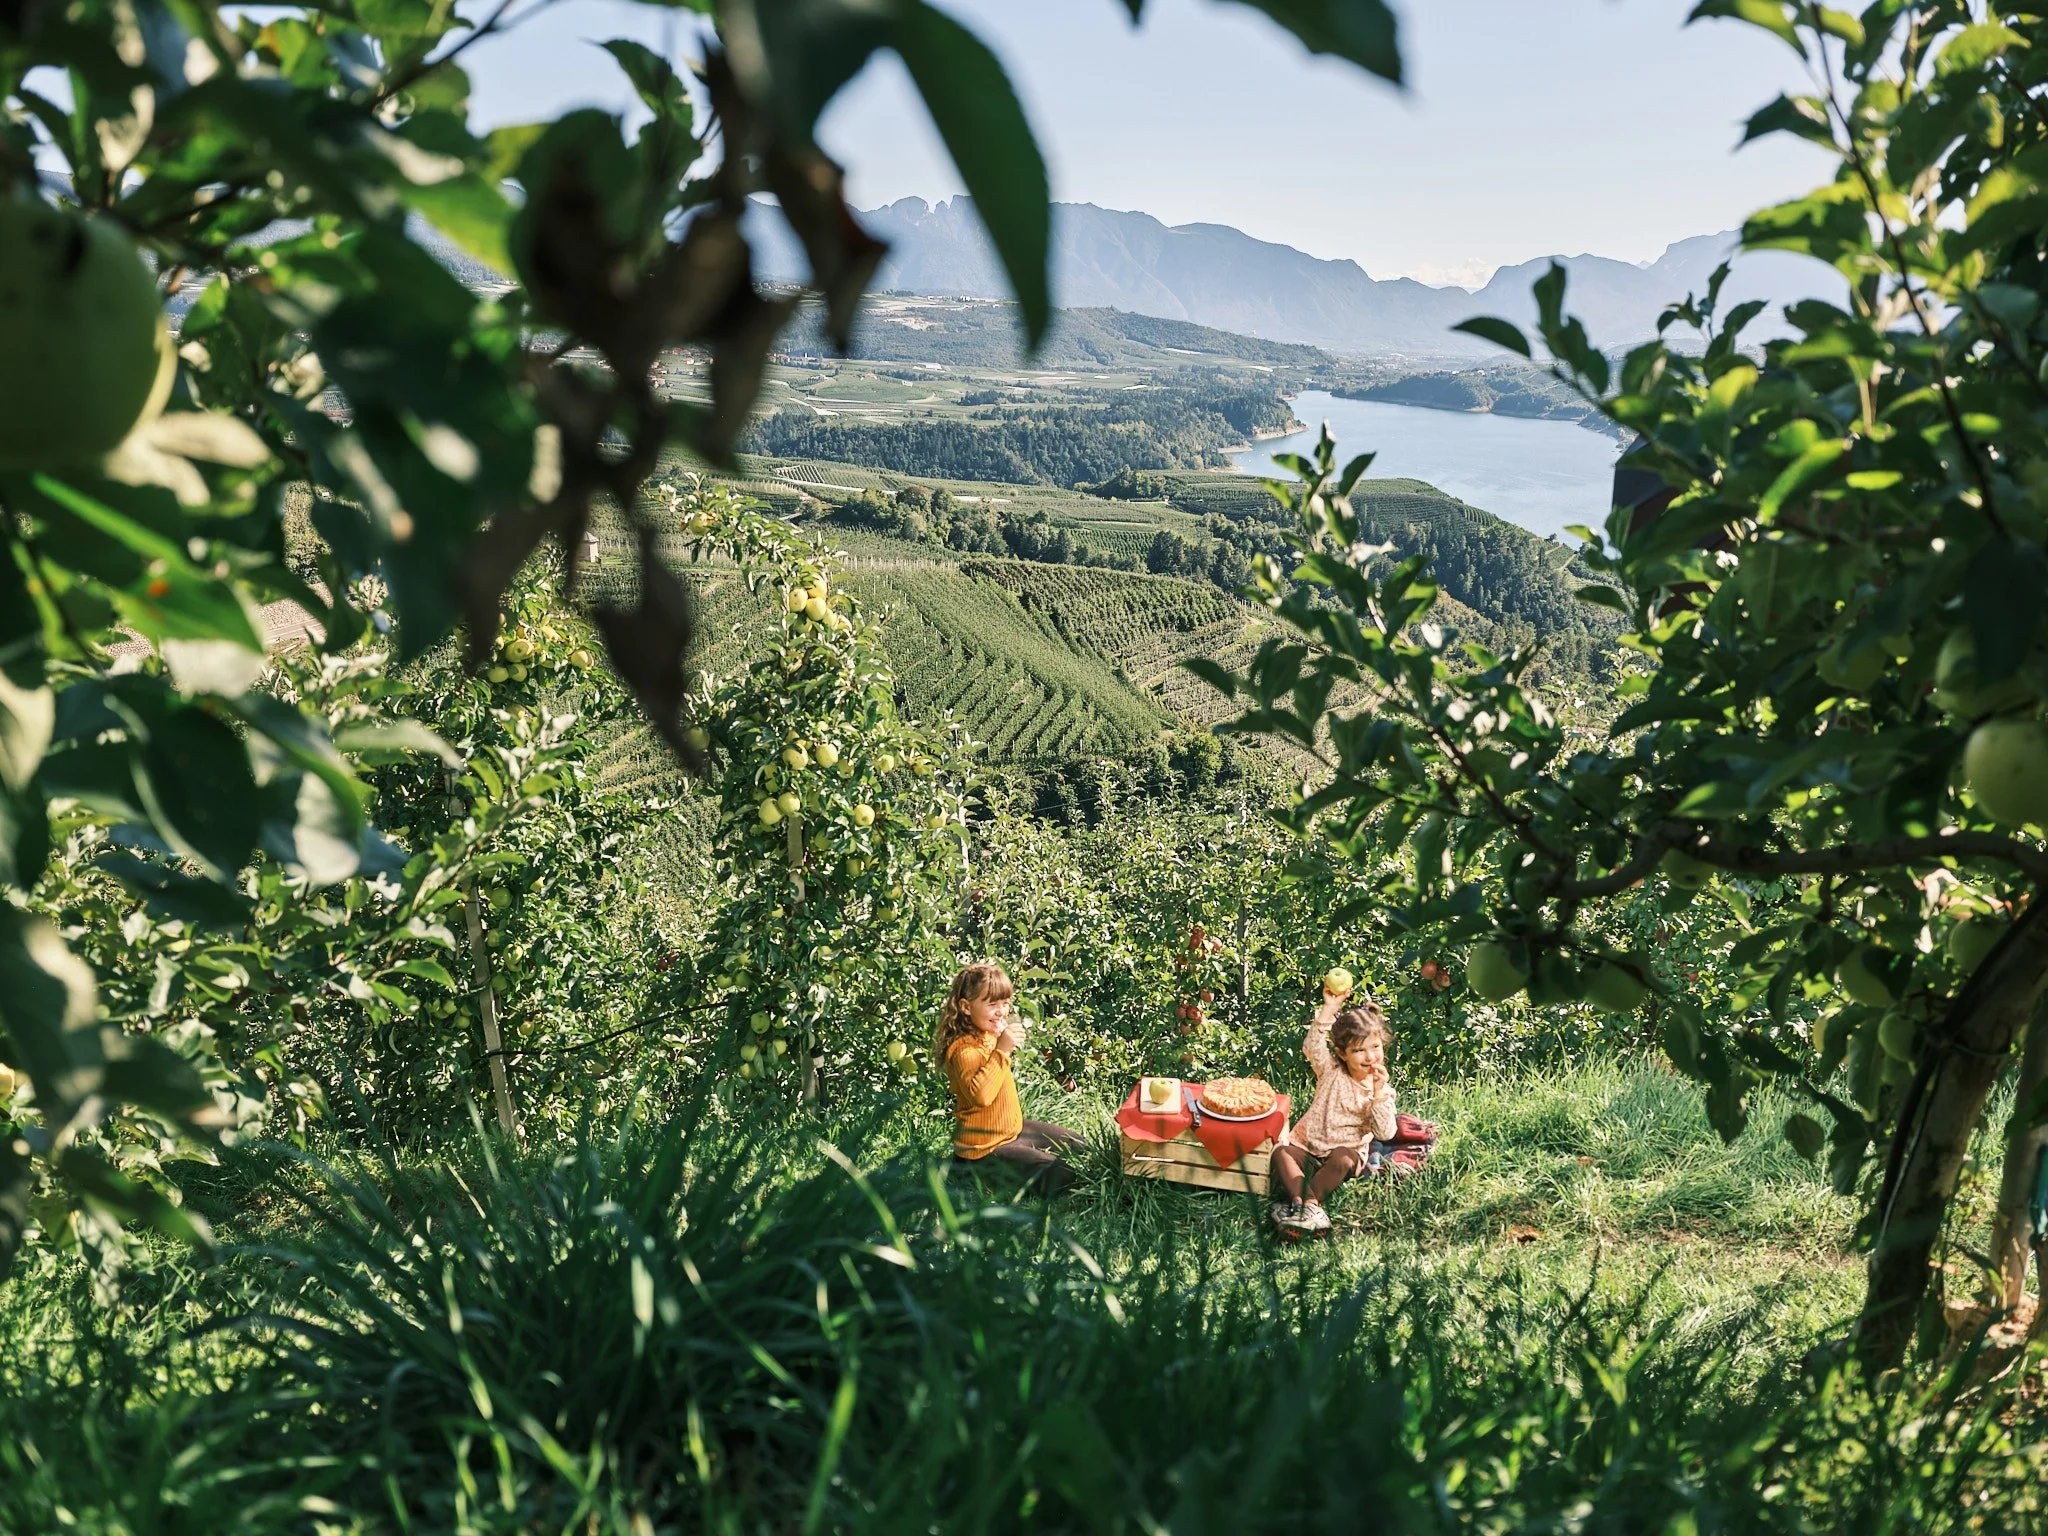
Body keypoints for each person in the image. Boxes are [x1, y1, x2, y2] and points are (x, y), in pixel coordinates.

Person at [935, 960, 1085, 1195]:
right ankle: (968, 1171)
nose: (1001, 1011)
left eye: (1004, 1003)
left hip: (1010, 1132)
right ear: (965, 1007)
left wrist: (997, 1040)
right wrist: (1002, 1050)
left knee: (1079, 1145)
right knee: (1065, 1177)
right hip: (984, 1150)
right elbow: (981, 1096)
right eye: (992, 1004)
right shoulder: (963, 1050)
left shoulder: (986, 1035)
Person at [1269, 984, 1396, 1237]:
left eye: (1375, 1047)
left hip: (1343, 1155)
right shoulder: (1330, 1071)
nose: (1370, 1056)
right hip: (1308, 1147)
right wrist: (1330, 1007)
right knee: (1281, 1152)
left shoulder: (1380, 1090)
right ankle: (1309, 1208)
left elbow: (1386, 1133)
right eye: (1359, 1050)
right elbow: (1312, 1045)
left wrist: (1379, 1093)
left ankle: (1302, 1206)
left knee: (1343, 1158)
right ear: (1342, 1053)